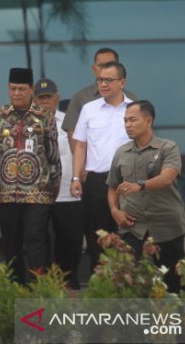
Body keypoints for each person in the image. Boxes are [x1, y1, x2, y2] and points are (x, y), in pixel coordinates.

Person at [0, 68, 61, 284]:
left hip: (37, 194)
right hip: (5, 194)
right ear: (8, 89)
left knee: (35, 241)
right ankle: (16, 288)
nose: (17, 93)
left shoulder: (45, 118)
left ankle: (39, 289)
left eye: (22, 89)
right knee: (10, 243)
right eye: (13, 89)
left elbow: (53, 157)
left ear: (31, 90)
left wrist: (54, 188)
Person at [107, 100, 185, 293]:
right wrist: (115, 211)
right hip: (133, 228)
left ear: (148, 121)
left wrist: (140, 185)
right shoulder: (121, 152)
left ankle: (172, 322)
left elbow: (167, 178)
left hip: (166, 227)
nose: (128, 125)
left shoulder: (168, 148)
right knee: (131, 283)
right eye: (125, 121)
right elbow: (112, 187)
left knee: (171, 284)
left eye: (133, 120)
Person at [70, 61, 133, 272]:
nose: (103, 84)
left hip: (127, 182)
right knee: (98, 236)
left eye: (108, 80)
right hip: (97, 181)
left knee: (129, 234)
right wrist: (76, 178)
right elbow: (80, 145)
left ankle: (128, 281)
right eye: (100, 79)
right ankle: (101, 283)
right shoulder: (89, 109)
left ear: (122, 82)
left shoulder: (133, 110)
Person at [32, 78, 83, 289]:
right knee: (39, 240)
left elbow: (80, 151)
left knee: (70, 239)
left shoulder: (69, 122)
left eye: (49, 97)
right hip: (37, 192)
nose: (45, 102)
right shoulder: (26, 123)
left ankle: (69, 281)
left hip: (67, 190)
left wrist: (78, 178)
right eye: (40, 98)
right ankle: (43, 284)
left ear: (57, 98)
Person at [61, 48, 136, 152]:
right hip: (94, 167)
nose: (105, 69)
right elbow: (73, 134)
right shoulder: (80, 98)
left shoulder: (131, 99)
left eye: (109, 64)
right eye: (100, 65)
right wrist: (81, 166)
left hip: (126, 165)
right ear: (94, 69)